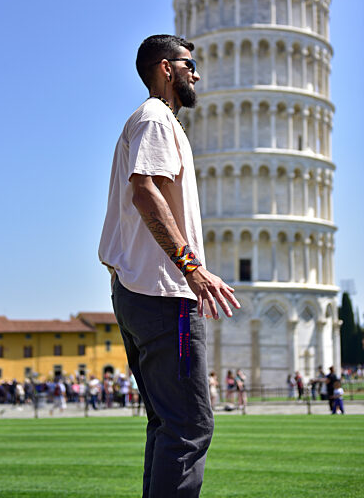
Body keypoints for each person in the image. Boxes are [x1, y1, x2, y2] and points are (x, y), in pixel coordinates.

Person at [99, 34, 240, 497]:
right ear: (166, 68)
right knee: (188, 426)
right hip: (163, 295)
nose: (196, 73)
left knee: (167, 426)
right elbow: (144, 190)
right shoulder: (157, 118)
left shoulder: (154, 121)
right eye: (189, 63)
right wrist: (191, 267)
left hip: (138, 291)